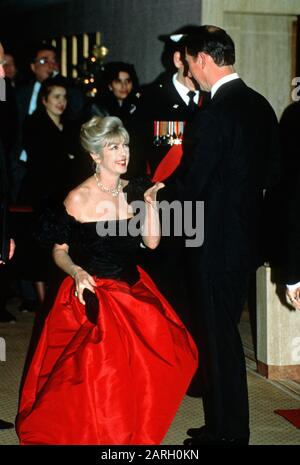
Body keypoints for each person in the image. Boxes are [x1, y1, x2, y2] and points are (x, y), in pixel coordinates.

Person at [16, 115, 198, 445]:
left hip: (133, 287)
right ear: (96, 156)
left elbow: (152, 243)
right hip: (93, 290)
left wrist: (151, 205)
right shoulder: (76, 198)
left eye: (125, 144)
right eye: (113, 147)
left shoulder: (136, 189)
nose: (123, 152)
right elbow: (60, 251)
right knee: (103, 371)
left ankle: (129, 425)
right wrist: (77, 272)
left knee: (171, 353)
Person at [163, 26, 280, 445]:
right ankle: (223, 426)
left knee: (218, 340)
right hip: (245, 239)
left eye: (191, 63)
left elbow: (192, 184)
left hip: (212, 242)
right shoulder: (261, 106)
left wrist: (155, 194)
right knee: (224, 334)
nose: (191, 72)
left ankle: (229, 433)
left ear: (203, 60)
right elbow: (269, 175)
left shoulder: (214, 114)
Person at [85, 61, 146, 179]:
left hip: (133, 166)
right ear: (110, 85)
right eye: (118, 82)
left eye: (128, 81)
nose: (124, 86)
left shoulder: (137, 105)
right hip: (106, 167)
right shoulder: (98, 107)